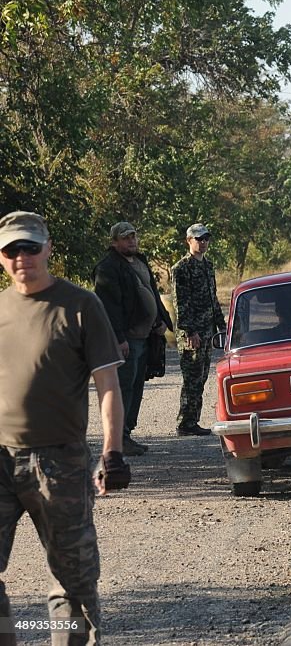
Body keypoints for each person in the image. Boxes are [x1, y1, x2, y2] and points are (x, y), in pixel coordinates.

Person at [0, 211, 131, 645]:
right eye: (11, 250)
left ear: (48, 248)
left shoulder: (80, 305)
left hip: (58, 460)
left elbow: (108, 384)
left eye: (30, 247)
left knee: (72, 582)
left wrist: (112, 452)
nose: (22, 257)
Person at [93, 222, 173, 456]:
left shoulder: (140, 261)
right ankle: (118, 439)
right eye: (125, 238)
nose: (131, 241)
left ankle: (127, 433)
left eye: (133, 236)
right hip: (126, 338)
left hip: (145, 337)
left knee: (137, 385)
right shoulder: (107, 268)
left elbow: (151, 294)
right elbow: (109, 308)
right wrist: (119, 338)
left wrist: (160, 321)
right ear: (114, 242)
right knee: (123, 387)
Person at [171, 223, 225, 436]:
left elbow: (213, 299)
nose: (203, 243)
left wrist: (222, 326)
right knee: (192, 378)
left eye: (205, 239)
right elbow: (181, 303)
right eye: (198, 239)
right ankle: (185, 423)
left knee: (201, 377)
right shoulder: (181, 268)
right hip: (192, 333)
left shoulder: (208, 265)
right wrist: (189, 331)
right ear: (189, 241)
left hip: (207, 330)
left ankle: (192, 420)